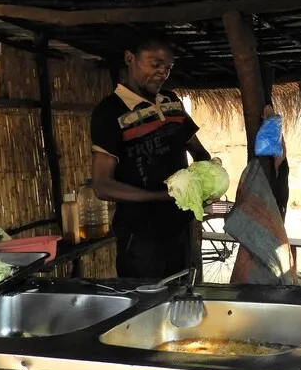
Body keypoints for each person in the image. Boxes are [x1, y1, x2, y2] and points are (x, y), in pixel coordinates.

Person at [90, 32, 211, 278]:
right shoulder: (110, 111)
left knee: (181, 299)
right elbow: (102, 186)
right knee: (146, 303)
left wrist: (206, 179)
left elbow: (198, 151)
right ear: (129, 58)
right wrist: (162, 196)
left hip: (181, 225)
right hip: (140, 235)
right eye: (155, 64)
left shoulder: (172, 102)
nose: (162, 73)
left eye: (168, 67)